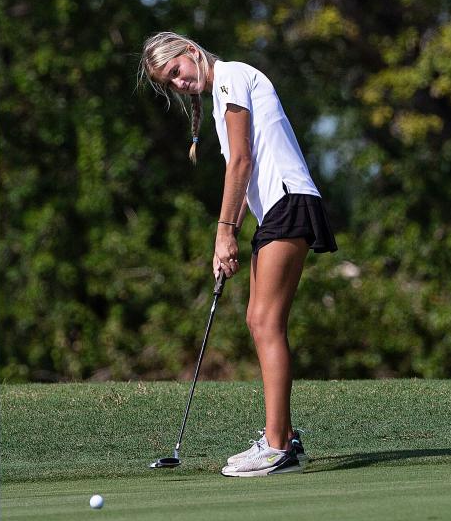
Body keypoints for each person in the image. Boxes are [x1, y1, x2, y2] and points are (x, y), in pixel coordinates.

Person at [139, 31, 337, 477]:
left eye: (176, 72)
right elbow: (246, 179)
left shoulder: (229, 76)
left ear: (191, 53)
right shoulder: (221, 95)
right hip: (276, 211)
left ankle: (277, 445)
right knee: (259, 320)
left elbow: (241, 162)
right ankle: (283, 437)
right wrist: (230, 239)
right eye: (170, 83)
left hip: (289, 202)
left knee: (265, 322)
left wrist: (224, 232)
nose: (179, 83)